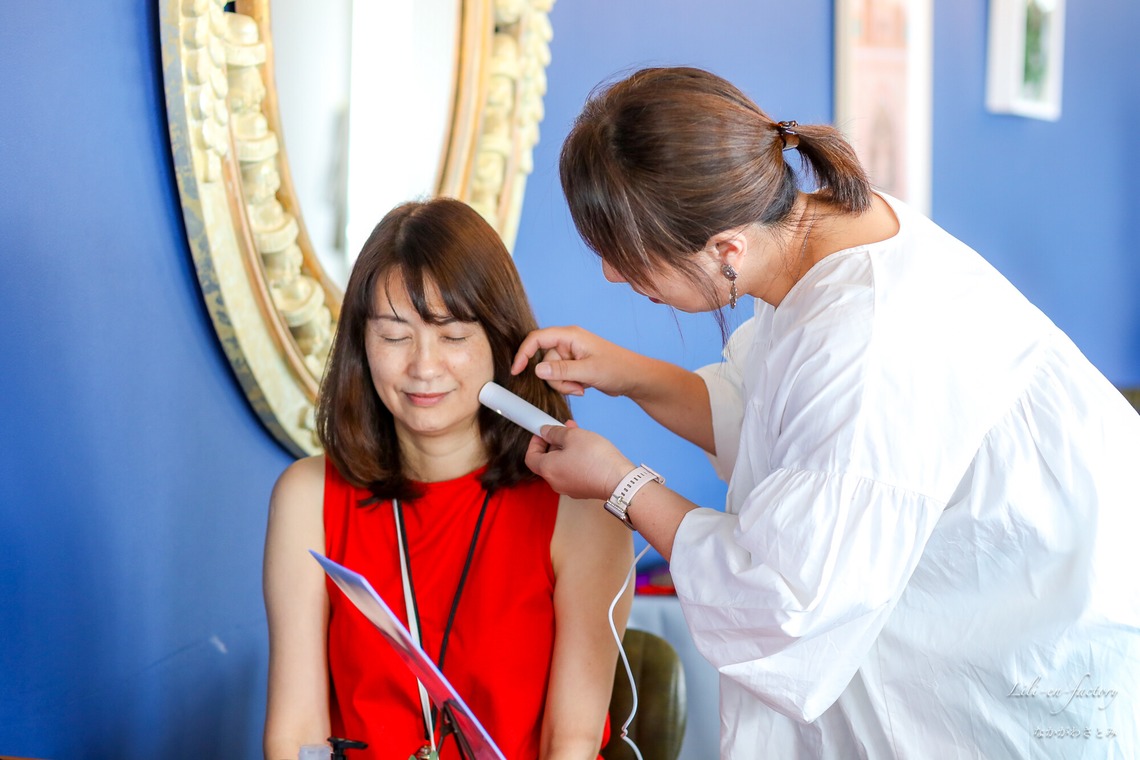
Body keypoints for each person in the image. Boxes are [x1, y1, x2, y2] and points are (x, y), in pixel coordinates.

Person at [514, 67, 1139, 758]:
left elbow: (784, 603)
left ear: (726, 249)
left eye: (627, 258)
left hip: (1020, 667)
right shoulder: (811, 234)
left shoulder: (869, 342)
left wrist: (624, 486)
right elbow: (769, 423)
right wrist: (624, 372)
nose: (610, 274)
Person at [262, 198, 633, 760]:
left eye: (454, 336)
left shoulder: (578, 506)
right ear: (361, 345)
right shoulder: (307, 498)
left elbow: (572, 742)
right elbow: (294, 735)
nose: (423, 367)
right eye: (393, 336)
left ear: (500, 343)